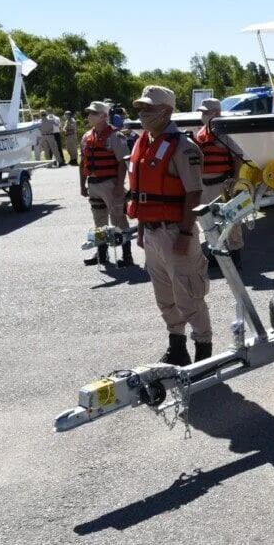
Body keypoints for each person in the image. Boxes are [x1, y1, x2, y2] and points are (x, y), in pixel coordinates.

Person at [127, 85, 212, 366]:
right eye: (141, 108)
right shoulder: (144, 143)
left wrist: (186, 233)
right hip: (152, 233)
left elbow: (194, 192)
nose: (143, 113)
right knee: (165, 296)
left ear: (166, 111)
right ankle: (177, 348)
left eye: (148, 108)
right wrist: (141, 229)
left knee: (189, 295)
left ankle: (203, 351)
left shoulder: (183, 147)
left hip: (176, 231)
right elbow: (141, 193)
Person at [79, 101, 133, 267]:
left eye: (93, 113)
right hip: (93, 183)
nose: (89, 116)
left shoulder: (116, 136)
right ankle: (101, 254)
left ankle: (126, 255)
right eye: (89, 112)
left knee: (118, 219)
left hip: (110, 183)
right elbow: (82, 163)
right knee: (99, 221)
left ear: (104, 116)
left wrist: (119, 185)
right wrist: (82, 185)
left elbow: (122, 162)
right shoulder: (87, 136)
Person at [194, 98, 246, 269]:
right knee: (210, 222)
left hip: (222, 184)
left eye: (205, 112)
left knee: (231, 219)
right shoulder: (200, 133)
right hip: (204, 185)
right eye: (201, 112)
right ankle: (216, 254)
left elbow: (238, 156)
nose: (202, 115)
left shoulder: (225, 133)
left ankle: (236, 255)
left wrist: (235, 180)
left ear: (215, 113)